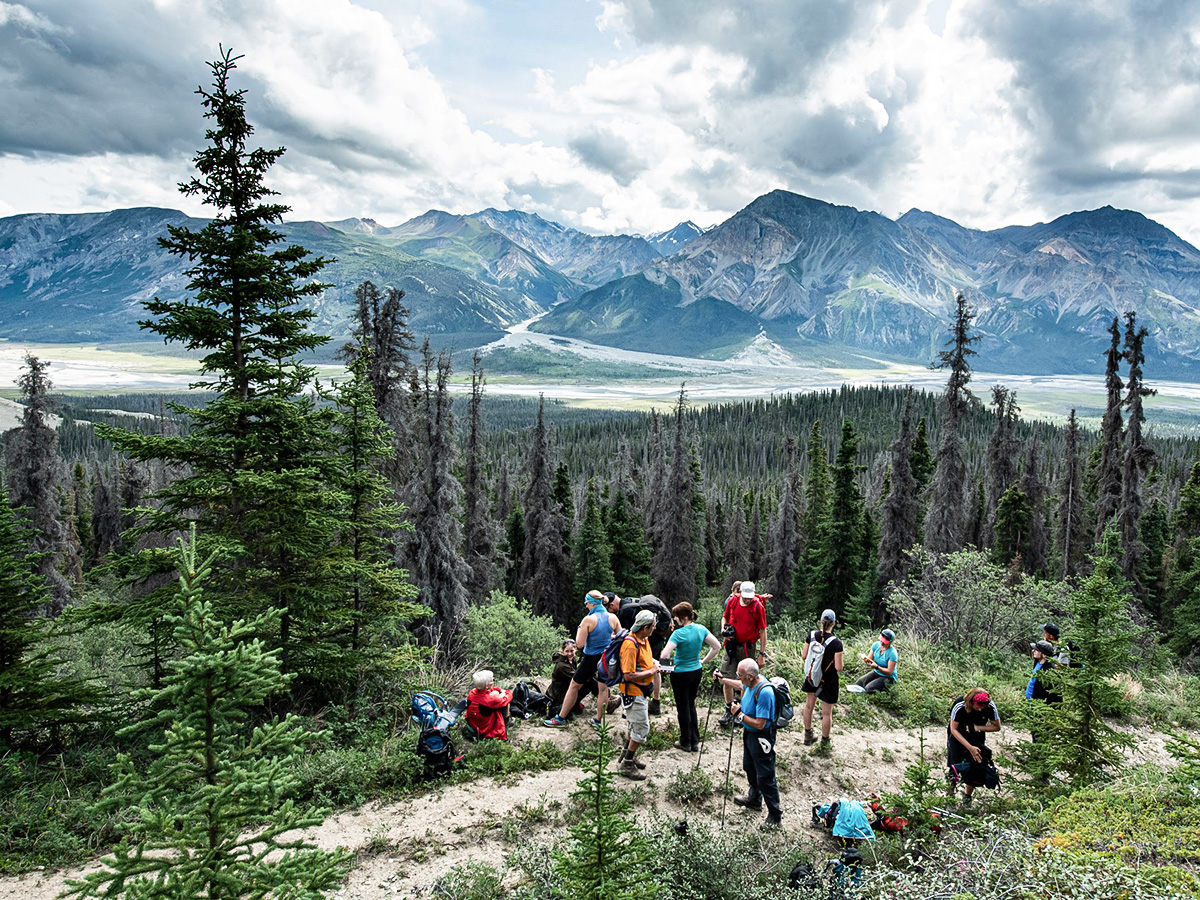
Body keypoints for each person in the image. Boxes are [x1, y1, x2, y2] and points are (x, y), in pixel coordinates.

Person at [714, 658, 782, 828]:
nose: (738, 676)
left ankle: (775, 816)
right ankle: (754, 799)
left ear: (751, 676)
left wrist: (739, 715)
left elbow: (760, 723)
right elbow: (739, 685)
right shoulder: (749, 683)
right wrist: (722, 680)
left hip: (762, 737)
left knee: (765, 775)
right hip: (749, 734)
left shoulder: (764, 692)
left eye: (740, 674)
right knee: (749, 766)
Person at [545, 590, 621, 728]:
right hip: (605, 658)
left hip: (590, 659)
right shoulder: (613, 618)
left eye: (586, 603)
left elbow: (579, 644)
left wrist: (581, 629)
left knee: (574, 686)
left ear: (592, 603)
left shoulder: (588, 620)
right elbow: (620, 638)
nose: (586, 606)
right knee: (603, 689)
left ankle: (561, 718)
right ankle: (598, 720)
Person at [660, 601, 721, 751]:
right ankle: (695, 740)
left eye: (676, 617)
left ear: (683, 617)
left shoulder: (678, 634)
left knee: (682, 706)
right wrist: (703, 661)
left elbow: (665, 654)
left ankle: (685, 741)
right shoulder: (701, 629)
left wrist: (666, 668)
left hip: (681, 673)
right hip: (696, 671)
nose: (674, 619)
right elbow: (717, 646)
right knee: (691, 704)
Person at [617, 609, 660, 780]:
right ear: (645, 627)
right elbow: (628, 675)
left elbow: (645, 662)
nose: (654, 629)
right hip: (633, 692)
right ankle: (627, 764)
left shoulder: (643, 640)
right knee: (641, 728)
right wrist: (652, 671)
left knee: (633, 727)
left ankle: (627, 755)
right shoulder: (630, 645)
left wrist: (655, 665)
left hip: (641, 691)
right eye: (653, 626)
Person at [718, 580, 768, 727]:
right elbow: (725, 617)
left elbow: (763, 630)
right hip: (731, 644)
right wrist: (724, 630)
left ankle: (742, 711)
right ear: (740, 593)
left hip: (748, 647)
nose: (748, 599)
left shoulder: (758, 607)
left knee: (746, 680)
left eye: (750, 597)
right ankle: (729, 709)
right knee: (726, 675)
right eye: (745, 597)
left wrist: (762, 654)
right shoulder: (732, 601)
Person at [618, 594, 673, 715]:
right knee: (655, 667)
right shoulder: (651, 609)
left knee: (646, 667)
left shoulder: (626, 611)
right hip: (659, 637)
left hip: (646, 638)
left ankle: (627, 708)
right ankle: (656, 702)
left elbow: (626, 635)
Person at [947, 689, 1002, 804]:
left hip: (977, 736)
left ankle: (967, 798)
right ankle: (950, 797)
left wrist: (978, 728)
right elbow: (953, 729)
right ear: (971, 702)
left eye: (983, 706)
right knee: (955, 767)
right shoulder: (960, 705)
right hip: (958, 737)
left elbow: (997, 726)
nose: (981, 709)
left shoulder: (990, 706)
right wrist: (969, 747)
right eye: (978, 706)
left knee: (976, 765)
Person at [801, 609, 844, 747]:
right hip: (828, 680)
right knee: (827, 713)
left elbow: (803, 655)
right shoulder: (836, 643)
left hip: (812, 676)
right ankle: (825, 742)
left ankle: (808, 735)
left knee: (809, 706)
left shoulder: (812, 635)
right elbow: (839, 667)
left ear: (820, 621)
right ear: (834, 623)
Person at [548, 639, 592, 718]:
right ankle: (607, 702)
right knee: (591, 681)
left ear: (576, 650)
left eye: (572, 651)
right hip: (558, 697)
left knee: (590, 679)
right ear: (562, 651)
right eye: (567, 651)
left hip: (564, 691)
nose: (569, 654)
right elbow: (577, 680)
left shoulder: (571, 660)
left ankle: (606, 699)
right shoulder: (561, 665)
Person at [465, 670, 513, 740]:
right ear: (487, 685)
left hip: (472, 725)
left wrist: (497, 689)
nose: (493, 681)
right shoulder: (491, 699)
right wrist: (505, 692)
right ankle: (506, 723)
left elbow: (486, 692)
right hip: (483, 729)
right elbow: (508, 697)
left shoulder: (472, 692)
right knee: (504, 704)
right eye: (492, 680)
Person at [855, 629, 898, 693]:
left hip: (888, 677)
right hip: (877, 672)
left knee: (869, 689)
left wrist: (877, 667)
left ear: (890, 642)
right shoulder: (876, 645)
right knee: (859, 683)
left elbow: (889, 672)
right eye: (881, 640)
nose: (882, 642)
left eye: (884, 641)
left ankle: (886, 690)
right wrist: (865, 658)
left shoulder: (892, 653)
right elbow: (869, 659)